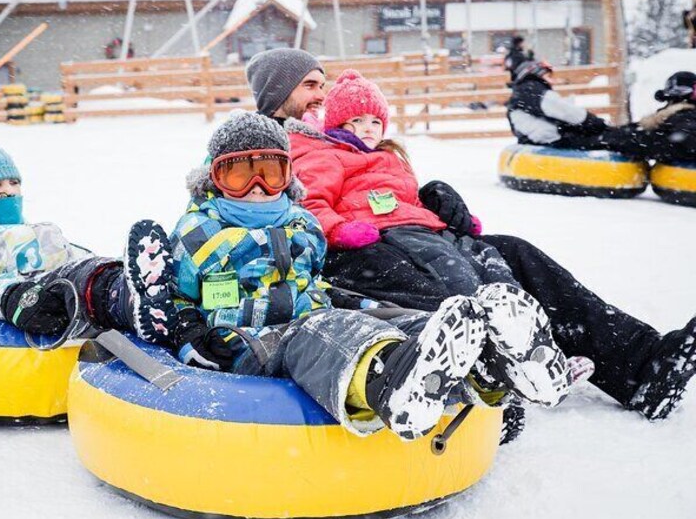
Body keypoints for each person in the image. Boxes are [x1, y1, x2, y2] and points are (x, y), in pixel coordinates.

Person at [245, 48, 696, 421]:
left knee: (513, 255)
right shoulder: (266, 145)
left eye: (323, 84)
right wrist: (349, 228)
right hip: (346, 255)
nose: (322, 94)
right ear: (276, 94)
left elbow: (369, 184)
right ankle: (489, 382)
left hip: (403, 233)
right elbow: (277, 209)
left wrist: (429, 199)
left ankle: (641, 367)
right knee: (441, 283)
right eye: (310, 85)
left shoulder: (329, 136)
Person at [166, 111, 570, 441]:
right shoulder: (198, 232)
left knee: (397, 320)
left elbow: (311, 282)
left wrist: (366, 306)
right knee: (323, 335)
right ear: (214, 181)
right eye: (239, 175)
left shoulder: (302, 224)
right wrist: (187, 333)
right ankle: (389, 383)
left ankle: (489, 367)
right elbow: (173, 296)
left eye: (269, 173)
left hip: (311, 316)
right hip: (248, 343)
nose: (257, 188)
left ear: (287, 176)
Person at [0, 128, 175, 344]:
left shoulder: (37, 231)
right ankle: (131, 301)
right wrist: (12, 298)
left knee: (91, 269)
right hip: (41, 302)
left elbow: (77, 257)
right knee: (75, 280)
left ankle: (148, 292)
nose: (9, 192)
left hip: (73, 292)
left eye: (14, 183)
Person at [508, 61, 696, 163]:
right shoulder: (530, 90)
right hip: (554, 138)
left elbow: (563, 113)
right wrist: (592, 123)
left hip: (551, 137)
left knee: (620, 137)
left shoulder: (524, 94)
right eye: (546, 75)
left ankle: (625, 138)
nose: (549, 80)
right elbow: (565, 112)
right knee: (615, 137)